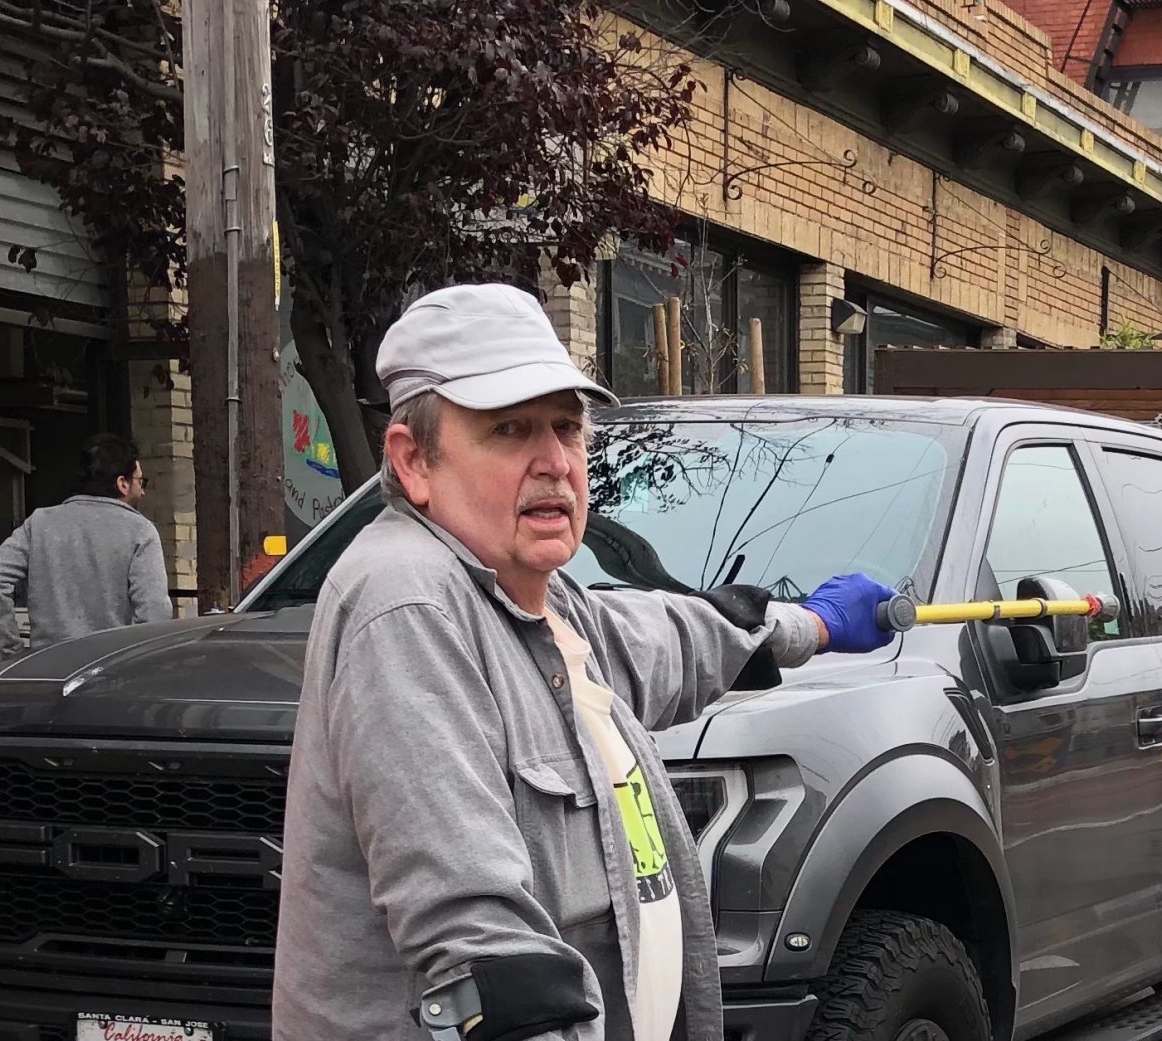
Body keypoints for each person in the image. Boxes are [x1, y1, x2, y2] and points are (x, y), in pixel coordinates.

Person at [273, 284, 895, 1041]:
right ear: (414, 462)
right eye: (509, 430)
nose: (555, 463)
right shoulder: (410, 604)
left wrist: (812, 625)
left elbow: (670, 638)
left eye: (567, 428)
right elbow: (482, 945)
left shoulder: (543, 601)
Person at [0, 433, 172, 658]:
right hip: (111, 666)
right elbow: (155, 611)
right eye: (141, 481)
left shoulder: (39, 522)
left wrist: (12, 650)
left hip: (47, 666)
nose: (144, 490)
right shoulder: (140, 530)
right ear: (122, 484)